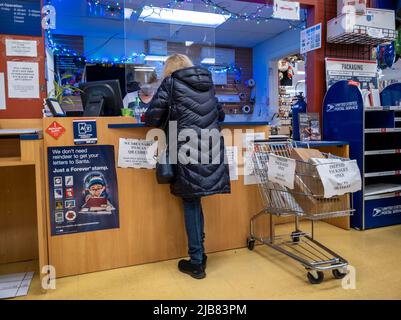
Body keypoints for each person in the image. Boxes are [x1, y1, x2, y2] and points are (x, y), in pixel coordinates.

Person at [144, 54, 231, 279]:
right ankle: (199, 253)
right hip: (209, 150)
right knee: (195, 201)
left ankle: (196, 262)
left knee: (191, 202)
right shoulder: (208, 85)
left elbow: (152, 118)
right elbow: (220, 115)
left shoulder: (170, 83)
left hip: (186, 149)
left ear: (169, 68)